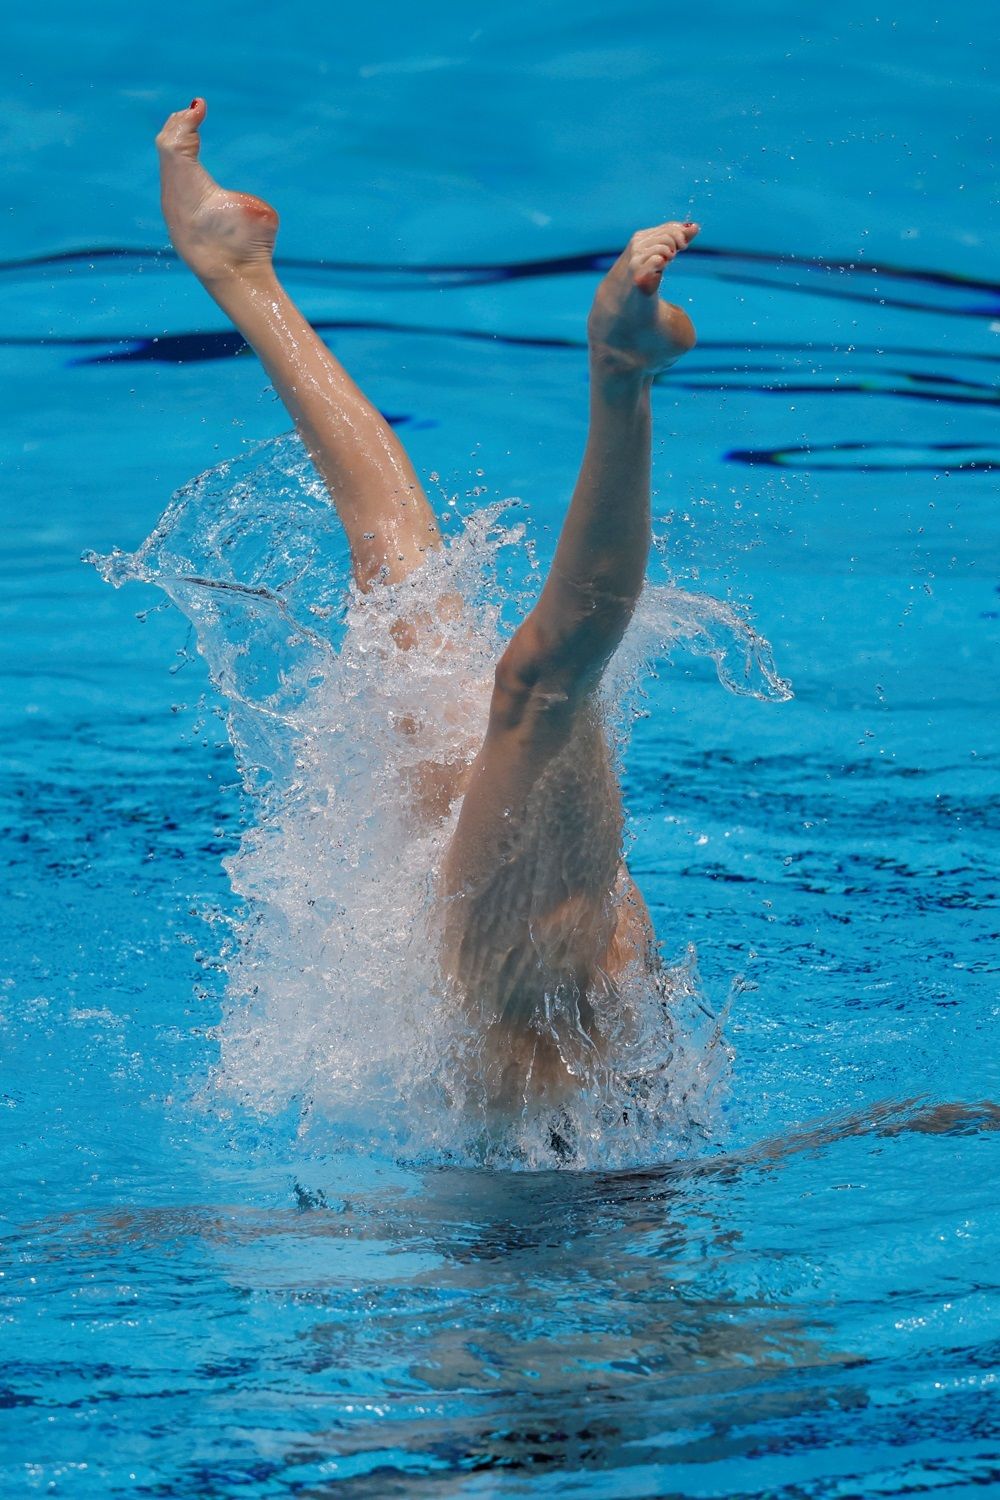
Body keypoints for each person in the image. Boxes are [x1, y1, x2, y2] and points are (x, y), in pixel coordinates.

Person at [156, 99, 700, 1115]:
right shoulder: (545, 994)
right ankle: (616, 375)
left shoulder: (535, 988)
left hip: (480, 949)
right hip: (503, 971)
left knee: (420, 596)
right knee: (502, 660)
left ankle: (237, 271)